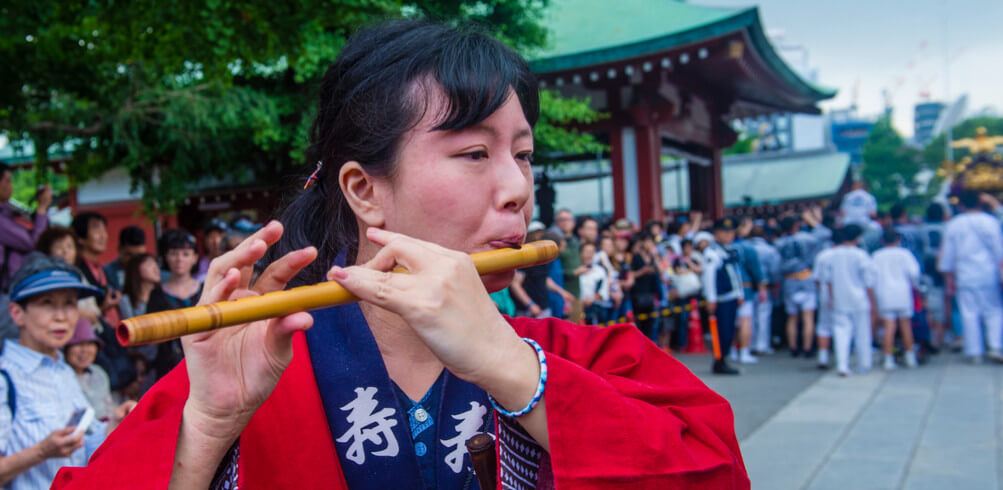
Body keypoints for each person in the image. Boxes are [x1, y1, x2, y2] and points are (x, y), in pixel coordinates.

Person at [54, 21, 748, 489]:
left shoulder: (579, 358)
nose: (516, 188)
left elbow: (713, 470)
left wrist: (513, 371)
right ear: (364, 190)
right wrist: (207, 431)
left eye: (525, 155)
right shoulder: (239, 370)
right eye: (474, 154)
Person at [0, 253, 134, 489]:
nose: (61, 317)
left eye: (70, 303)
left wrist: (114, 423)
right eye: (47, 303)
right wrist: (41, 451)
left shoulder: (64, 371)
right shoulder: (4, 378)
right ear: (17, 313)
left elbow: (82, 448)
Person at [938, 190, 1003, 364]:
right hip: (988, 272)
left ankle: (974, 351)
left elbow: (948, 253)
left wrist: (948, 273)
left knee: (969, 312)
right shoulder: (990, 222)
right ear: (981, 203)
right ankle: (995, 347)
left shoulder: (954, 224)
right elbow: (999, 250)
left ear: (960, 205)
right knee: (994, 310)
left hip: (964, 273)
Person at [817, 226, 877, 376]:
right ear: (856, 239)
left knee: (841, 331)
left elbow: (828, 280)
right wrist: (873, 301)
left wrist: (831, 298)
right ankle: (864, 363)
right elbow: (868, 281)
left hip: (839, 298)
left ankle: (842, 365)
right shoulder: (861, 255)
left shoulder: (832, 255)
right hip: (859, 298)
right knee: (862, 331)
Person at [0, 164, 51, 341]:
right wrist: (42, 208)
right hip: (5, 294)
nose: (11, 186)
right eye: (7, 181)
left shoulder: (9, 212)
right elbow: (33, 242)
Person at [146, 230, 203, 380]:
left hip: (203, 360)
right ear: (166, 257)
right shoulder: (156, 294)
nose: (179, 259)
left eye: (185, 254)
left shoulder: (205, 289)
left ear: (195, 258)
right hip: (168, 365)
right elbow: (151, 333)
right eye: (173, 254)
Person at [872, 228, 920, 369]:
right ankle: (910, 357)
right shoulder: (905, 254)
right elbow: (914, 273)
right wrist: (915, 286)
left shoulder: (876, 256)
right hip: (903, 292)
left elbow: (872, 277)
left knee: (889, 326)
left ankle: (888, 359)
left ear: (882, 241)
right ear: (899, 240)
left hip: (884, 293)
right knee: (905, 325)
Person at [775, 215, 823, 357]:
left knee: (792, 317)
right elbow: (824, 235)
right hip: (806, 278)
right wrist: (813, 221)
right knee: (808, 317)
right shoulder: (807, 238)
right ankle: (808, 348)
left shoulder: (779, 243)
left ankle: (793, 347)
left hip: (789, 280)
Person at [702, 218, 744, 375]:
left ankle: (724, 358)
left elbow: (735, 274)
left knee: (729, 329)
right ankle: (719, 361)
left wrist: (739, 293)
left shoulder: (729, 250)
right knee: (722, 331)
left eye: (731, 232)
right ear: (717, 234)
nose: (729, 235)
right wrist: (711, 298)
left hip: (731, 295)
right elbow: (709, 277)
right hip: (721, 298)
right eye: (725, 232)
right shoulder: (712, 252)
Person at [508, 223, 574, 318]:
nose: (538, 236)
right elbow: (515, 284)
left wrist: (562, 292)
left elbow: (544, 279)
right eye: (535, 233)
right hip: (526, 311)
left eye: (540, 232)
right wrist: (530, 305)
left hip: (543, 308)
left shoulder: (543, 257)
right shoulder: (524, 256)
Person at [71, 212, 121, 330]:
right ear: (80, 239)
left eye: (104, 231)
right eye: (97, 231)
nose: (103, 236)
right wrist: (103, 307)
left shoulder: (105, 270)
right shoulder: (76, 271)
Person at [64, 320, 114, 421]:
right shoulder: (60, 376)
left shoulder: (98, 373)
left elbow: (109, 407)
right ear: (66, 348)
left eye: (90, 344)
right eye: (78, 344)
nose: (85, 350)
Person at [746, 226, 780, 354]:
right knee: (763, 317)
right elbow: (775, 270)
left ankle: (750, 345)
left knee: (750, 317)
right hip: (765, 286)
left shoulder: (745, 248)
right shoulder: (770, 250)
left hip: (748, 286)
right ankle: (762, 345)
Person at [103, 226, 147, 291]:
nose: (134, 260)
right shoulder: (106, 273)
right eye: (129, 255)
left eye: (139, 255)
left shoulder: (153, 272)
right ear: (119, 249)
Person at [118, 253, 161, 320]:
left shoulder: (163, 296)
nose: (156, 268)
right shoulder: (125, 300)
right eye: (149, 264)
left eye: (156, 264)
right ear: (136, 269)